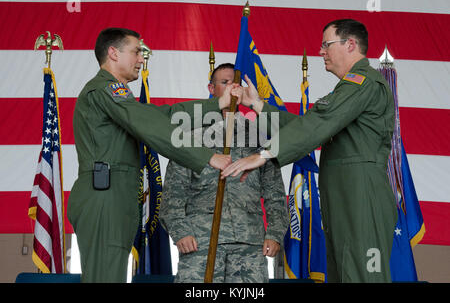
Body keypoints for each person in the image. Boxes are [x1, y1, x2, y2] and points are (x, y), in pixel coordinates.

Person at [222, 19, 398, 283]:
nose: (321, 51)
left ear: (350, 44)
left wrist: (263, 155)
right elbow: (309, 125)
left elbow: (319, 122)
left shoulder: (363, 82)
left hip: (362, 195)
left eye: (327, 44)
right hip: (346, 194)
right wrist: (259, 106)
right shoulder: (349, 89)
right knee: (345, 273)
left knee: (363, 274)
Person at [68, 28, 241, 283]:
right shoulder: (105, 89)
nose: (141, 58)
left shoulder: (118, 97)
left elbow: (163, 116)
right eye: (136, 51)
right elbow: (149, 124)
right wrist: (206, 156)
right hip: (105, 198)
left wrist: (216, 104)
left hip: (112, 196)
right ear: (113, 53)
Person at [160, 63, 288, 283]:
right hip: (201, 242)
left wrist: (275, 233)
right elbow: (173, 194)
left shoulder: (259, 137)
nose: (232, 88)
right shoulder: (192, 136)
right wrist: (180, 231)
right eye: (224, 83)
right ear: (212, 89)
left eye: (235, 83)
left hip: (249, 244)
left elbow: (275, 195)